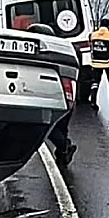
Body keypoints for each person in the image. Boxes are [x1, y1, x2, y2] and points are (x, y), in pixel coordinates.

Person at [27, 23, 77, 167]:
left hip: (47, 96)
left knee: (49, 127)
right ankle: (63, 155)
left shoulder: (33, 53)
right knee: (60, 127)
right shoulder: (61, 52)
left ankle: (64, 148)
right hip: (66, 95)